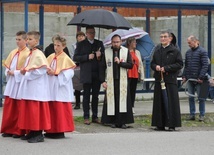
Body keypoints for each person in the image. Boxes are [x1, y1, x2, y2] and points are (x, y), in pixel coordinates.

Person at [17, 31, 51, 143]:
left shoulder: (38, 54)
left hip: (37, 88)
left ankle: (38, 133)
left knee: (36, 111)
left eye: (30, 39)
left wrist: (26, 73)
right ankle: (32, 131)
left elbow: (41, 70)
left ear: (36, 41)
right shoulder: (32, 53)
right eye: (27, 39)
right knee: (30, 111)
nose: (28, 41)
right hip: (31, 87)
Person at [151, 30, 183, 131]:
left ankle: (171, 124)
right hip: (159, 79)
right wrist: (156, 67)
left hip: (170, 80)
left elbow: (179, 64)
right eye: (161, 37)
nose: (163, 39)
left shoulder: (175, 51)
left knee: (171, 102)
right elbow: (152, 63)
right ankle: (159, 124)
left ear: (170, 38)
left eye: (165, 37)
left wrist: (166, 68)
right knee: (159, 102)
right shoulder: (157, 50)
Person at [100, 34, 134, 129]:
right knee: (112, 101)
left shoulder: (125, 51)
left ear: (121, 42)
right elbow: (102, 68)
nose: (115, 44)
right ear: (111, 42)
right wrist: (103, 81)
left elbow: (131, 65)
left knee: (122, 101)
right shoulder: (106, 52)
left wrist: (120, 63)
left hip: (122, 81)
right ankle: (112, 121)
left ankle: (123, 122)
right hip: (111, 81)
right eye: (114, 42)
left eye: (117, 42)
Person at [45, 35, 76, 139]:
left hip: (60, 86)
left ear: (63, 46)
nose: (56, 47)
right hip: (51, 85)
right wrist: (48, 72)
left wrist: (57, 73)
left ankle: (59, 130)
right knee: (51, 107)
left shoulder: (66, 58)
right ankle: (50, 130)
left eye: (58, 45)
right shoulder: (50, 57)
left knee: (60, 109)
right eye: (55, 45)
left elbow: (70, 72)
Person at [1, 31, 30, 138]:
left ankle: (19, 130)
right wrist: (8, 71)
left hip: (20, 82)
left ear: (26, 40)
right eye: (16, 39)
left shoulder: (28, 53)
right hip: (12, 82)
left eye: (19, 39)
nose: (17, 42)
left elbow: (27, 69)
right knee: (10, 106)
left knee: (19, 107)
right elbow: (8, 65)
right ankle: (9, 128)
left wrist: (16, 73)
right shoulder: (13, 52)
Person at [73, 26, 105, 125]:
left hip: (96, 73)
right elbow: (76, 57)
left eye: (93, 32)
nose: (92, 34)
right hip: (86, 73)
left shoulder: (99, 43)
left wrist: (100, 56)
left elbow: (104, 58)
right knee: (86, 95)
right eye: (90, 32)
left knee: (95, 96)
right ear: (86, 34)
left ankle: (95, 116)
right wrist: (87, 57)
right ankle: (86, 116)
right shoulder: (81, 44)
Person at [182, 35, 209, 121]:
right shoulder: (188, 52)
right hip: (190, 79)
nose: (188, 44)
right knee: (190, 97)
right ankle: (192, 114)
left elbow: (205, 65)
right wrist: (184, 76)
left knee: (201, 98)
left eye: (189, 43)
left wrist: (201, 77)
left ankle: (202, 115)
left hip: (201, 79)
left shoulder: (203, 52)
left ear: (195, 41)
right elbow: (186, 66)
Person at [126, 37, 144, 114]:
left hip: (135, 73)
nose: (135, 44)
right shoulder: (125, 51)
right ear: (129, 43)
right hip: (128, 74)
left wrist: (141, 74)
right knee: (127, 91)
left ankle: (132, 106)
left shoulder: (137, 52)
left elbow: (140, 64)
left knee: (133, 91)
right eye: (134, 42)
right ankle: (127, 106)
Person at [71, 31, 85, 109]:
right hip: (76, 66)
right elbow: (73, 56)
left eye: (82, 36)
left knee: (86, 85)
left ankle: (86, 103)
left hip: (85, 66)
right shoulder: (74, 46)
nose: (80, 37)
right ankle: (77, 103)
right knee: (77, 86)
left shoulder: (87, 46)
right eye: (79, 36)